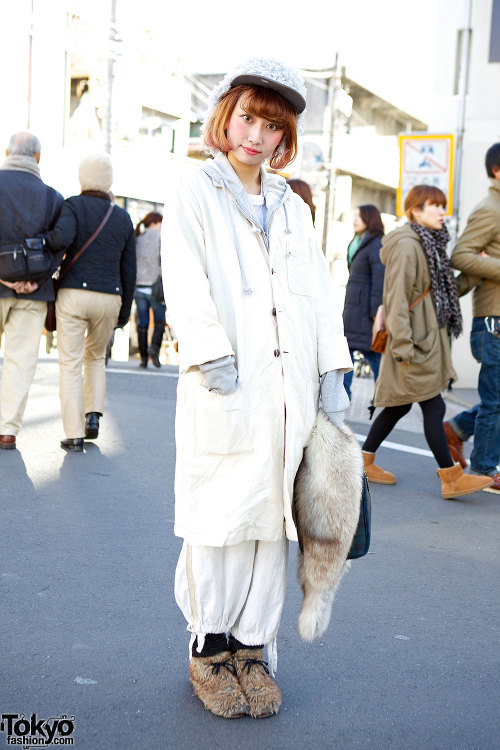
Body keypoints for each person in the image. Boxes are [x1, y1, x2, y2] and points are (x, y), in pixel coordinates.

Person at [162, 58, 352, 719]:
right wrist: (212, 354)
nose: (257, 134)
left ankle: (251, 649)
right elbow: (183, 276)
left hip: (288, 395)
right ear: (225, 115)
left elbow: (320, 295)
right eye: (248, 117)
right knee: (219, 524)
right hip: (226, 388)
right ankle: (209, 649)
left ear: (285, 136)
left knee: (273, 525)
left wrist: (332, 368)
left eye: (273, 125)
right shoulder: (195, 189)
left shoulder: (291, 208)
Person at [360, 184, 493, 499]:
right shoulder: (408, 246)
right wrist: (404, 348)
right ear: (415, 211)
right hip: (413, 346)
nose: (440, 211)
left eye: (442, 205)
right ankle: (450, 478)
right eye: (433, 205)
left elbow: (441, 294)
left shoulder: (430, 245)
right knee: (433, 406)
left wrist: (476, 273)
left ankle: (363, 460)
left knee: (400, 406)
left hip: (426, 342)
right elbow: (396, 299)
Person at [45, 153, 136, 452]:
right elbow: (129, 270)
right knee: (95, 358)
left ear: (83, 177)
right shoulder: (122, 217)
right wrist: (123, 313)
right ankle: (93, 415)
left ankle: (73, 434)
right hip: (110, 297)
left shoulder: (72, 206)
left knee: (70, 363)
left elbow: (60, 240)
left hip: (74, 294)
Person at [0, 131, 63, 450]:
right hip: (35, 291)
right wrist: (35, 280)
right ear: (38, 158)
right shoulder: (53, 197)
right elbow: (60, 244)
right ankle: (7, 429)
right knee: (20, 359)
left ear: (7, 151)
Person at [443, 144, 500, 494]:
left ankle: (457, 429)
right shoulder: (490, 209)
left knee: (498, 399)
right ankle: (483, 469)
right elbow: (461, 255)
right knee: (495, 401)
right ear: (497, 170)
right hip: (493, 321)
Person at [342, 204, 385, 400]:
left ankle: (384, 393)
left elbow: (379, 281)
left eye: (358, 216)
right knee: (346, 354)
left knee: (375, 355)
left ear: (369, 218)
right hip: (353, 311)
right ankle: (344, 394)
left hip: (367, 313)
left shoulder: (375, 244)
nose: (354, 220)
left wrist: (376, 313)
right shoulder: (357, 242)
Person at [133, 212, 166, 368]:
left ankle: (143, 359)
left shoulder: (137, 238)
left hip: (138, 287)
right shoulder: (161, 239)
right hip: (155, 287)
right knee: (159, 322)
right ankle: (154, 349)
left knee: (142, 323)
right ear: (153, 223)